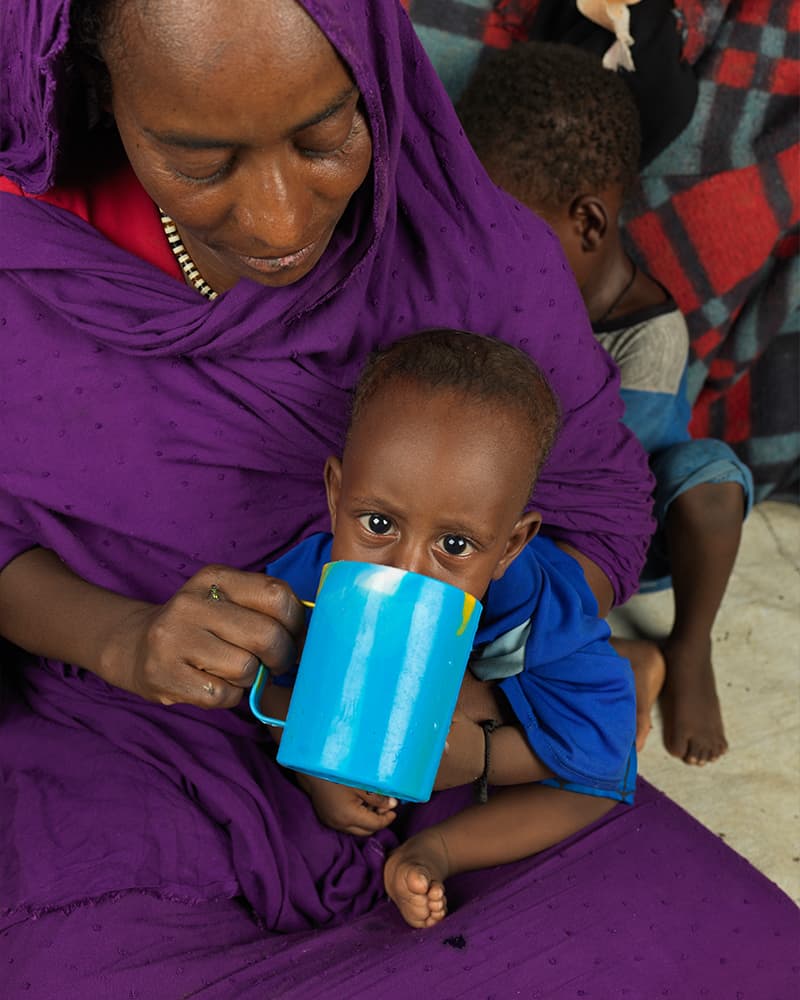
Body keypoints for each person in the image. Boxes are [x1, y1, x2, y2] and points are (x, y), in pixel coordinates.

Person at [0, 0, 654, 984]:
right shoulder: (29, 267)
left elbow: (596, 496)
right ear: (102, 94)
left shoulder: (471, 251)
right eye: (199, 159)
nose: (278, 220)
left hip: (437, 753)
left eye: (324, 135)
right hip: (129, 745)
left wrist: (472, 697)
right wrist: (122, 639)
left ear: (378, 77)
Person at [256, 329, 637, 929]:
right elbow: (272, 684)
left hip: (508, 690)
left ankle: (438, 850)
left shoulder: (545, 617)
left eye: (454, 545)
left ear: (510, 545)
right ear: (336, 497)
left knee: (600, 785)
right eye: (378, 523)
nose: (408, 572)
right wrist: (314, 771)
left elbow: (603, 746)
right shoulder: (311, 580)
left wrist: (480, 758)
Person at [458, 41, 754, 766]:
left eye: (507, 232)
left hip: (624, 524)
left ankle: (684, 649)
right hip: (520, 510)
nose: (486, 251)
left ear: (587, 223)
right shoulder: (508, 295)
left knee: (710, 481)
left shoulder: (647, 335)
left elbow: (607, 485)